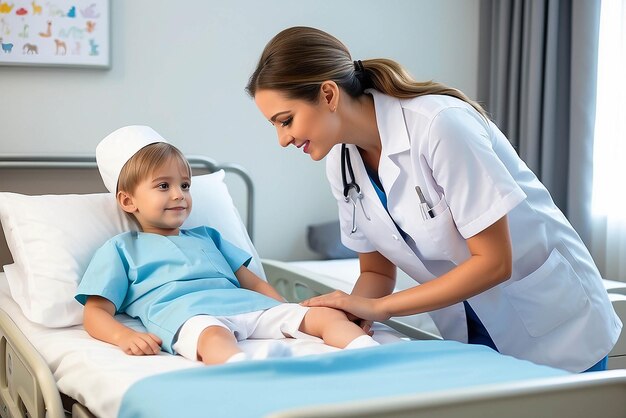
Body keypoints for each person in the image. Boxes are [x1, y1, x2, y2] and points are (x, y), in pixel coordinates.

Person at [246, 26, 622, 373]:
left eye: (286, 120)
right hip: (469, 331)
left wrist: (380, 308)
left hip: (552, 322)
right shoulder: (342, 164)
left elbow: (494, 262)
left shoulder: (440, 124)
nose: (283, 139)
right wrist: (350, 313)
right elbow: (376, 272)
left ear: (328, 94)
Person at [75, 125, 379, 365]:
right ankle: (239, 365)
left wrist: (286, 309)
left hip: (250, 307)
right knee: (211, 337)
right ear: (128, 201)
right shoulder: (122, 249)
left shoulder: (208, 236)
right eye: (163, 186)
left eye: (185, 185)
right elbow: (96, 312)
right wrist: (123, 336)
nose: (179, 194)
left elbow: (254, 283)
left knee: (325, 315)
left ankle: (368, 349)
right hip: (190, 316)